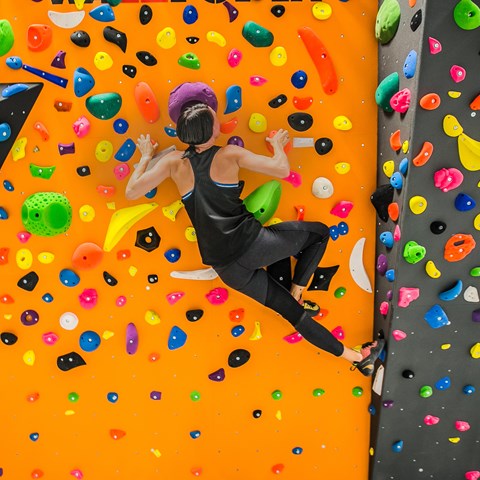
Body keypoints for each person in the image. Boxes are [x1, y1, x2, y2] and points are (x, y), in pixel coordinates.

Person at [125, 102, 384, 376]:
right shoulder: (229, 154)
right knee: (319, 234)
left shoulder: (172, 163)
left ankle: (357, 357)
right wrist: (279, 145)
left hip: (226, 268)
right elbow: (281, 171)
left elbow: (131, 192)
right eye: (215, 121)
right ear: (212, 132)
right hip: (254, 245)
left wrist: (144, 156)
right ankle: (297, 292)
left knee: (293, 315)